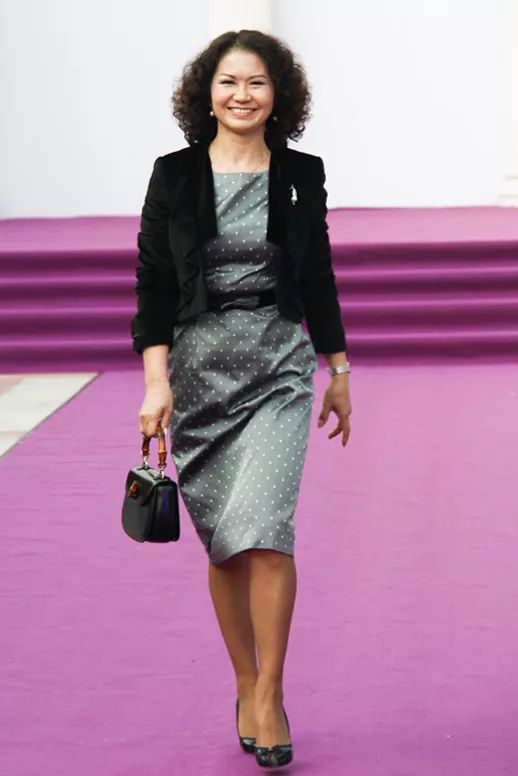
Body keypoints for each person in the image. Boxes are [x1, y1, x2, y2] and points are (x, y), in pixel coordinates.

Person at [131, 29, 352, 769]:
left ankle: (272, 693)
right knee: (227, 541)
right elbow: (154, 284)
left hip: (278, 365)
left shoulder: (301, 173)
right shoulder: (173, 175)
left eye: (257, 82)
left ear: (278, 93)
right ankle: (245, 681)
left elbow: (316, 273)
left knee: (267, 528)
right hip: (199, 373)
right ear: (207, 93)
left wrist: (338, 368)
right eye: (229, 82)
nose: (242, 95)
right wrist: (156, 381)